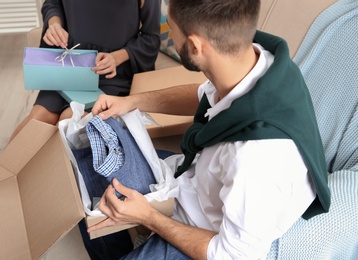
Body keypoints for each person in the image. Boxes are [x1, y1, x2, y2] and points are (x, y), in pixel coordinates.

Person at [78, 0, 331, 259]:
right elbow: (203, 95)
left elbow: (232, 254)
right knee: (82, 183)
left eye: (172, 28)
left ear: (196, 46)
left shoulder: (253, 157)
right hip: (198, 181)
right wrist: (133, 101)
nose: (170, 33)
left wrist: (149, 217)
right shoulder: (253, 61)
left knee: (98, 209)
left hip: (209, 237)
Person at [0, 0, 160, 222]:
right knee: (39, 118)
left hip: (111, 73)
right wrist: (54, 24)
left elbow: (151, 38)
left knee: (66, 122)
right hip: (68, 63)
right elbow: (52, 4)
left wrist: (118, 57)